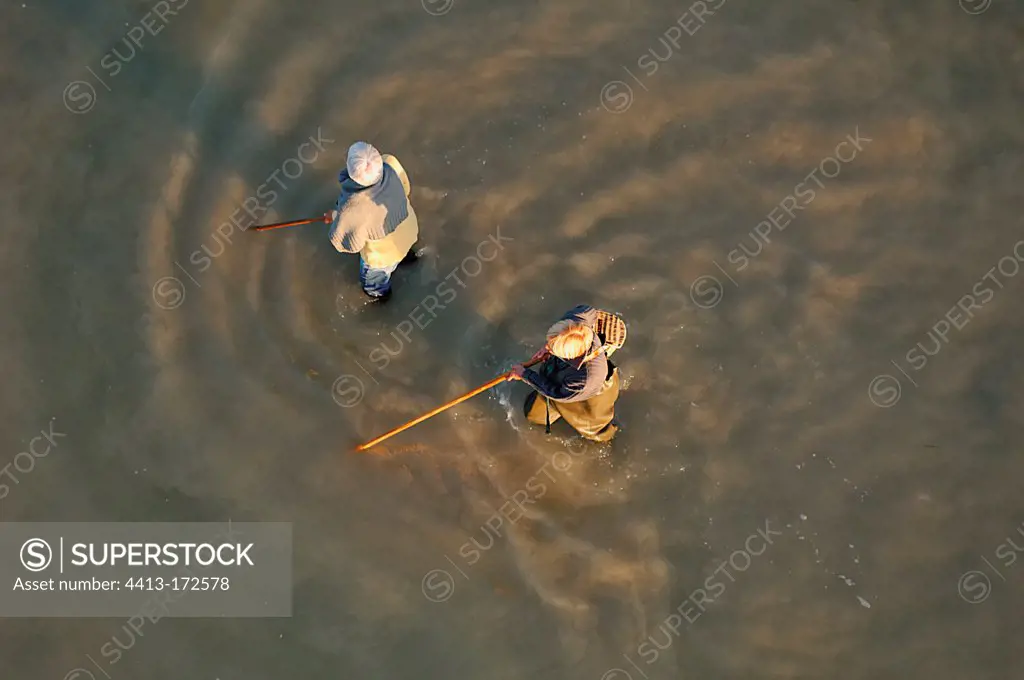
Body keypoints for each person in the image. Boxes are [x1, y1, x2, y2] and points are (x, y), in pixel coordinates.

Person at [508, 304, 621, 442]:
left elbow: (557, 393)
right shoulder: (577, 321)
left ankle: (606, 437)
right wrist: (548, 347)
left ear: (572, 356)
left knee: (597, 430)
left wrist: (525, 375)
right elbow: (589, 311)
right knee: (533, 414)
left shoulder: (586, 380)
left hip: (588, 395)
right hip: (567, 376)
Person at [328, 141, 418, 301]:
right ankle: (409, 259)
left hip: (381, 257)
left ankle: (383, 299)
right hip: (408, 230)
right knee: (403, 251)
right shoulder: (390, 162)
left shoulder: (351, 209)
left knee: (374, 286)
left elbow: (347, 244)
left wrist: (336, 218)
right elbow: (406, 188)